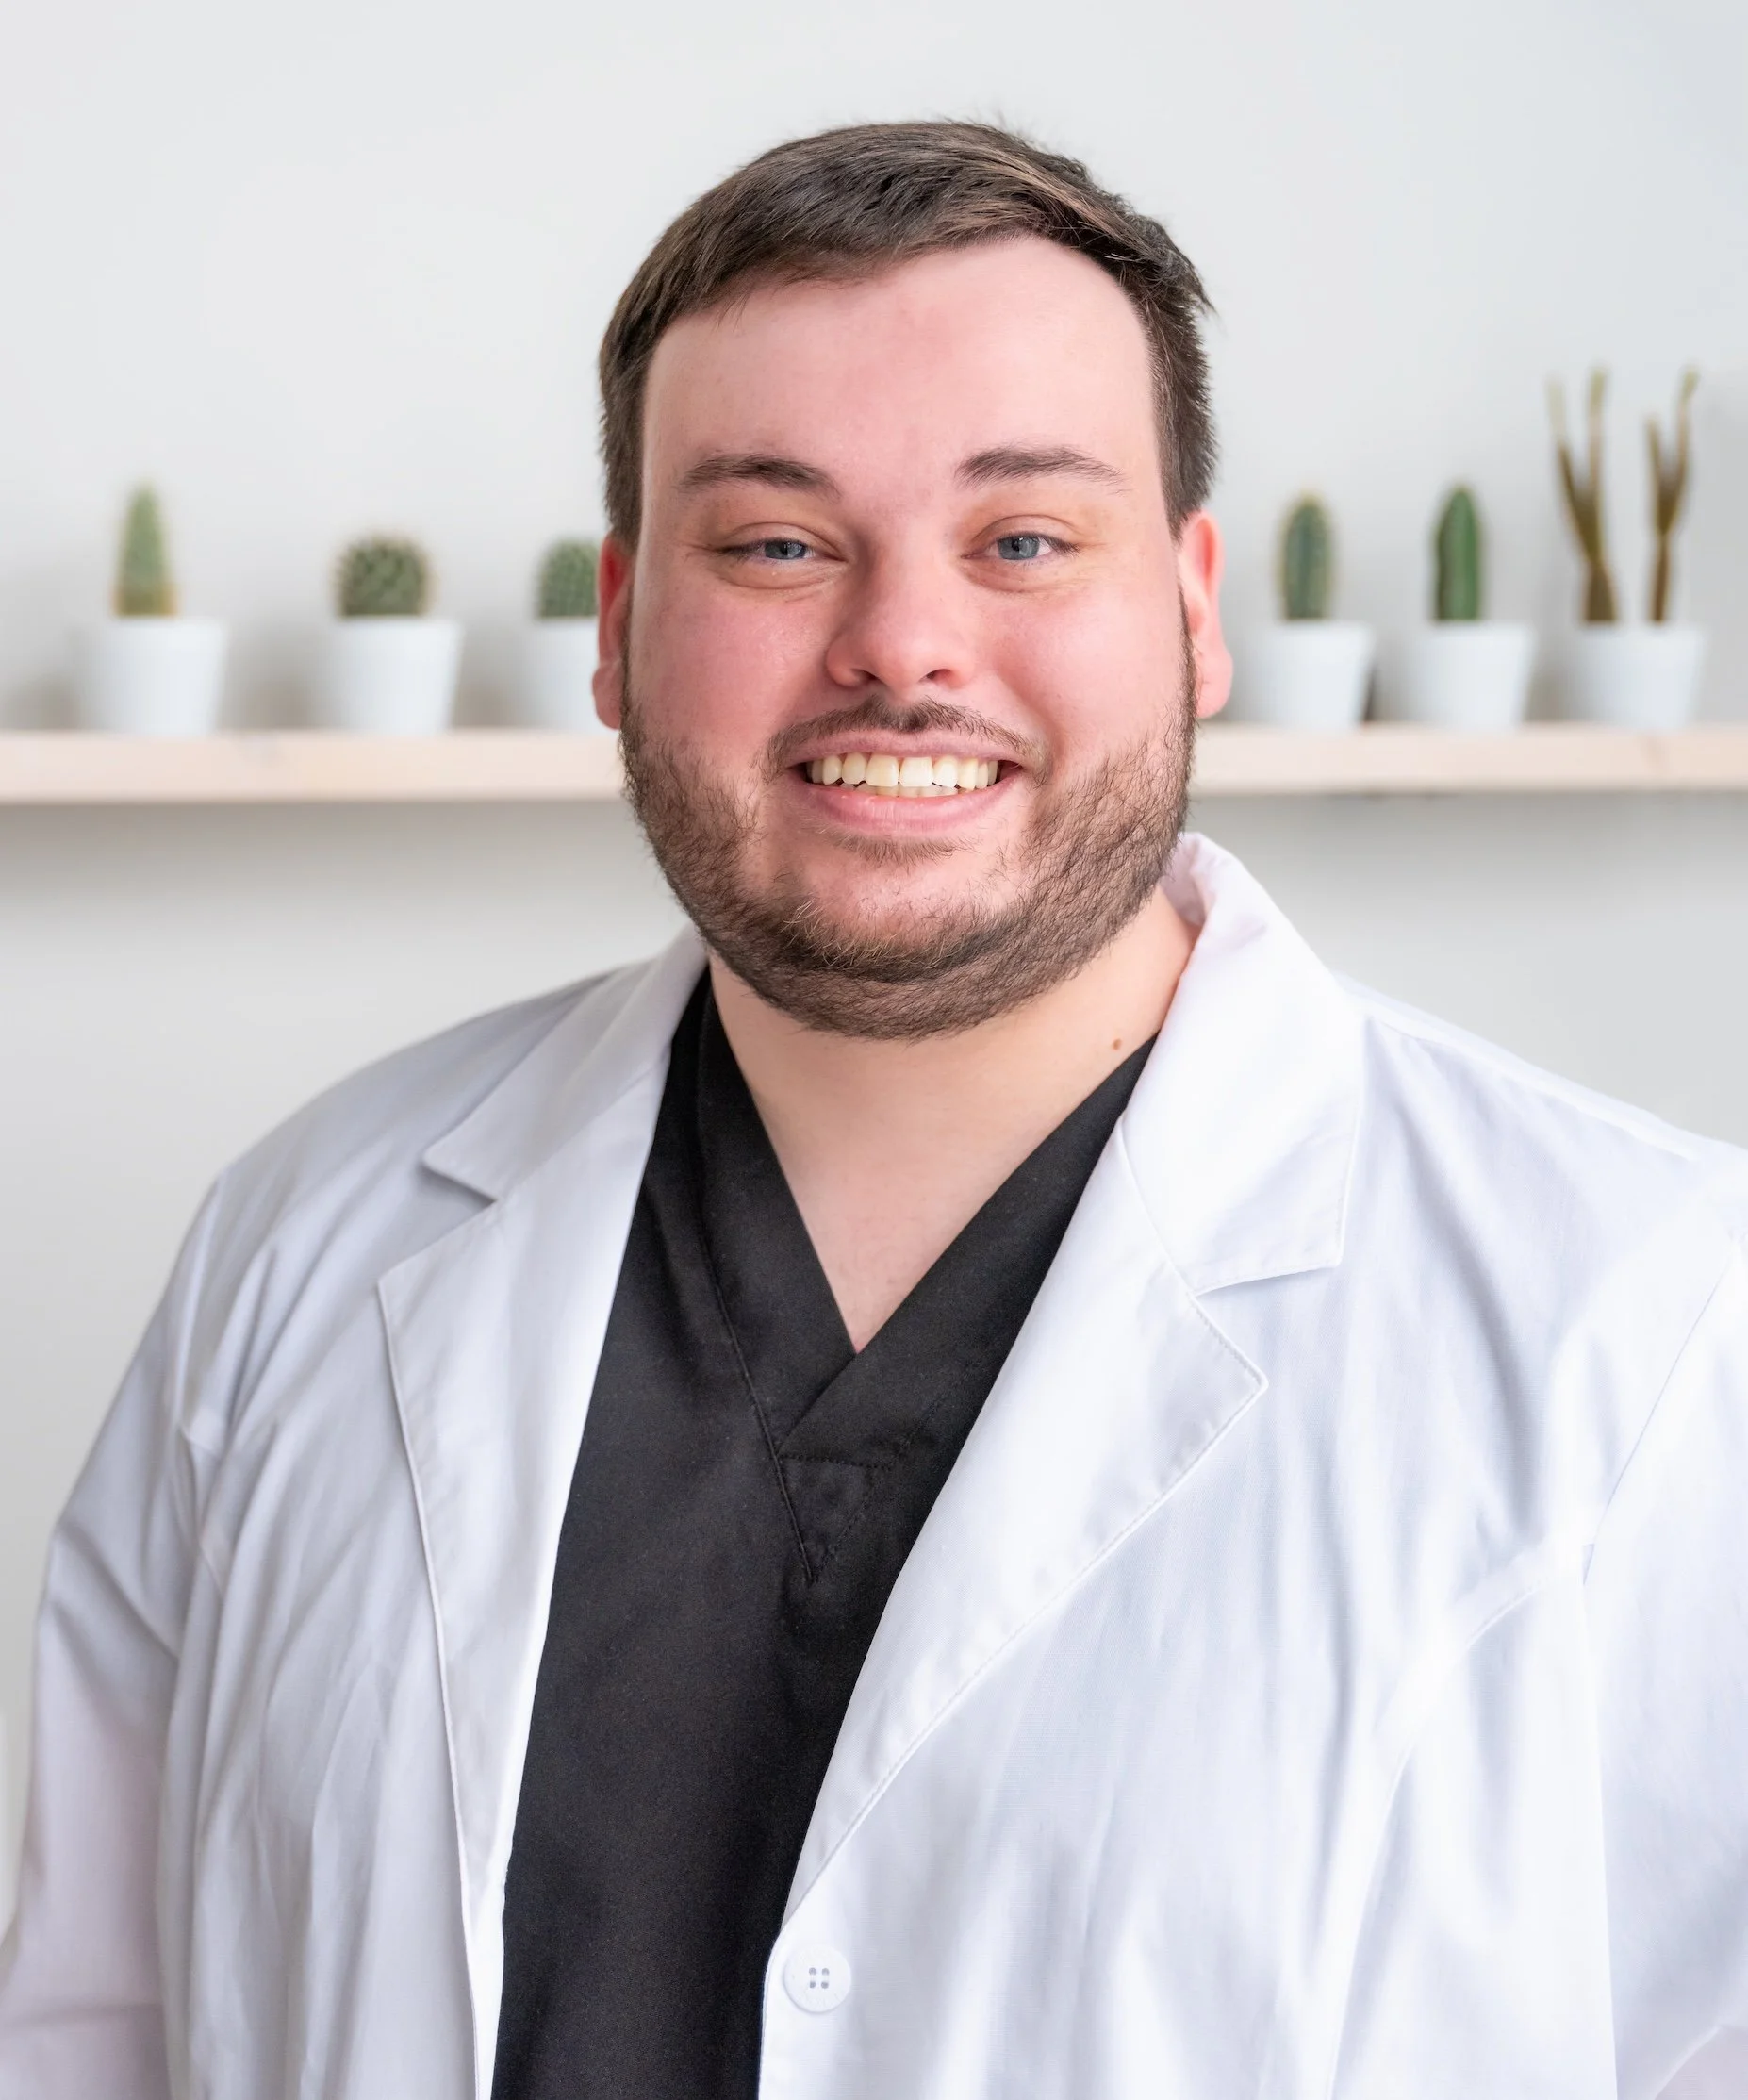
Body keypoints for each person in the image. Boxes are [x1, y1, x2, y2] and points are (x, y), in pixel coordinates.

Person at [1, 120, 1744, 2100]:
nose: (903, 648)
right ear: (618, 622)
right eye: (775, 542)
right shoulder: (298, 1254)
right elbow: (92, 2037)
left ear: (1188, 607)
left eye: (1021, 540)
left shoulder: (1649, 1319)